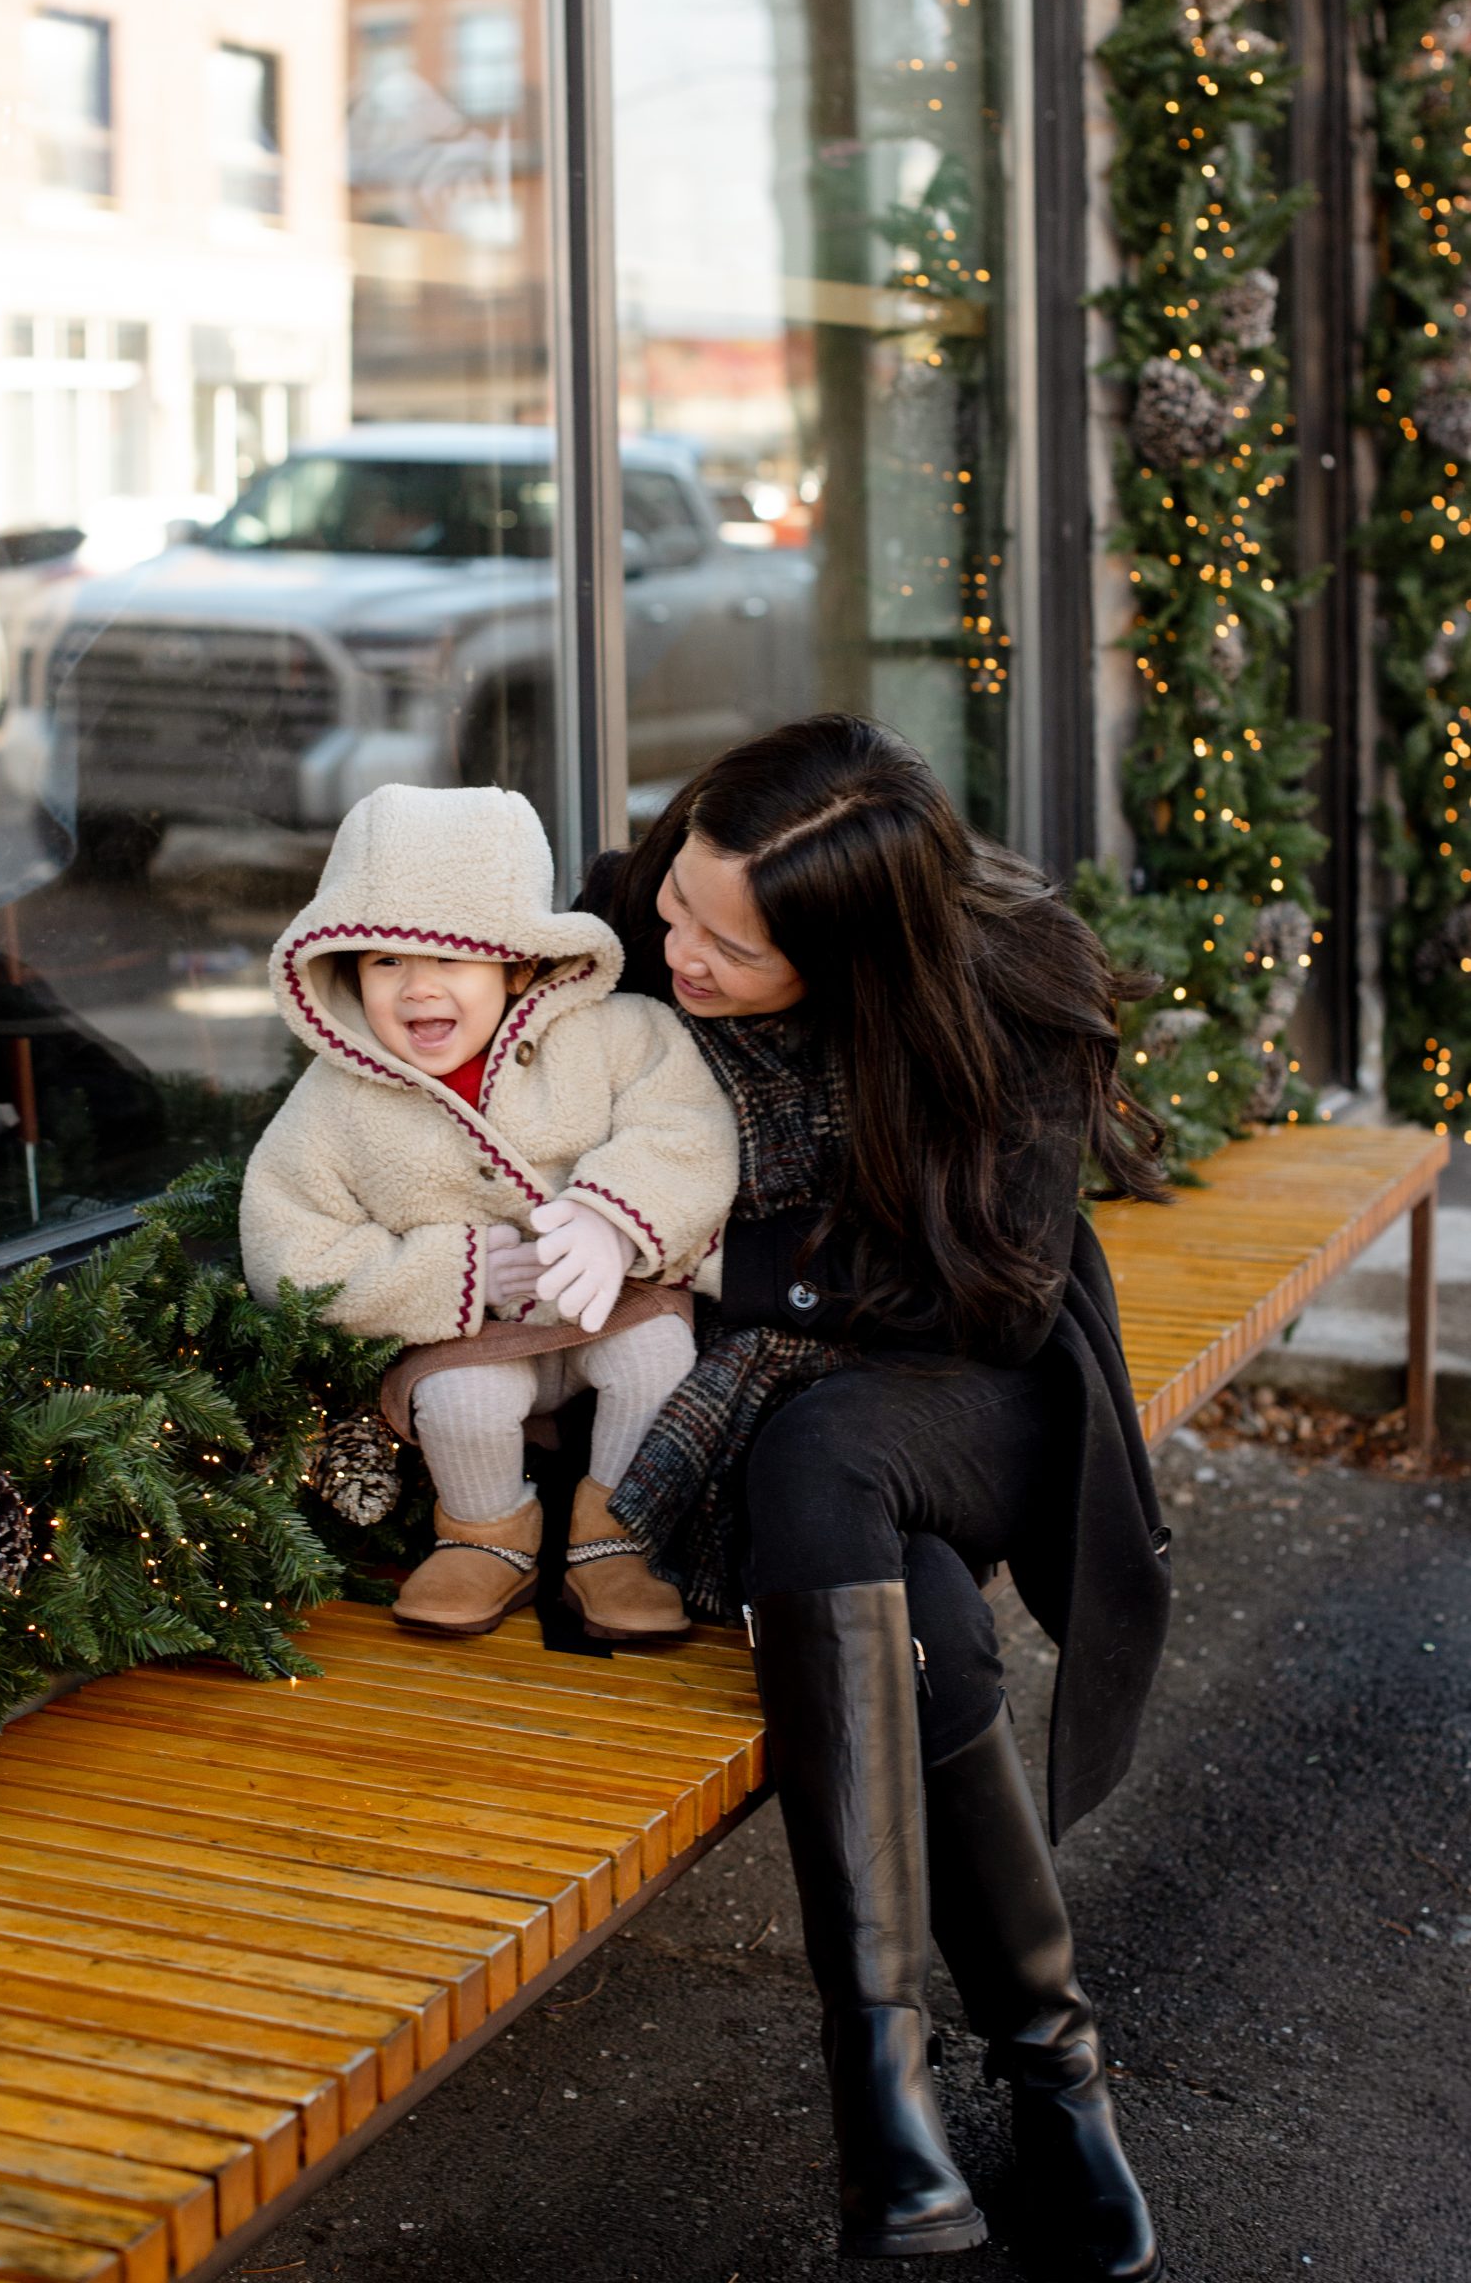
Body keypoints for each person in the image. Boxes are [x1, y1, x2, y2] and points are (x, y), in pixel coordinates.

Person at [582, 715, 1171, 2279]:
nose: (677, 952)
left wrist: (702, 1258)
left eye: (729, 947)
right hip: (772, 1398)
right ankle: (1050, 2078)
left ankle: (885, 2088)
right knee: (923, 1622)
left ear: (853, 963)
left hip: (978, 1383)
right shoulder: (644, 914)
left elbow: (987, 1296)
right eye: (677, 908)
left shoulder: (1014, 987)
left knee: (831, 1453)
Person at [240, 781, 736, 1640]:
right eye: (385, 960)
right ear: (345, 966)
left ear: (517, 962)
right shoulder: (334, 1101)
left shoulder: (617, 1032)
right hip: (469, 1334)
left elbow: (687, 1125)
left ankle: (619, 1536)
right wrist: (441, 1272)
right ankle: (485, 1532)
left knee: (657, 1355)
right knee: (463, 1403)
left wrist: (616, 1220)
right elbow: (287, 1240)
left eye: (451, 959)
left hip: (612, 1303)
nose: (418, 990)